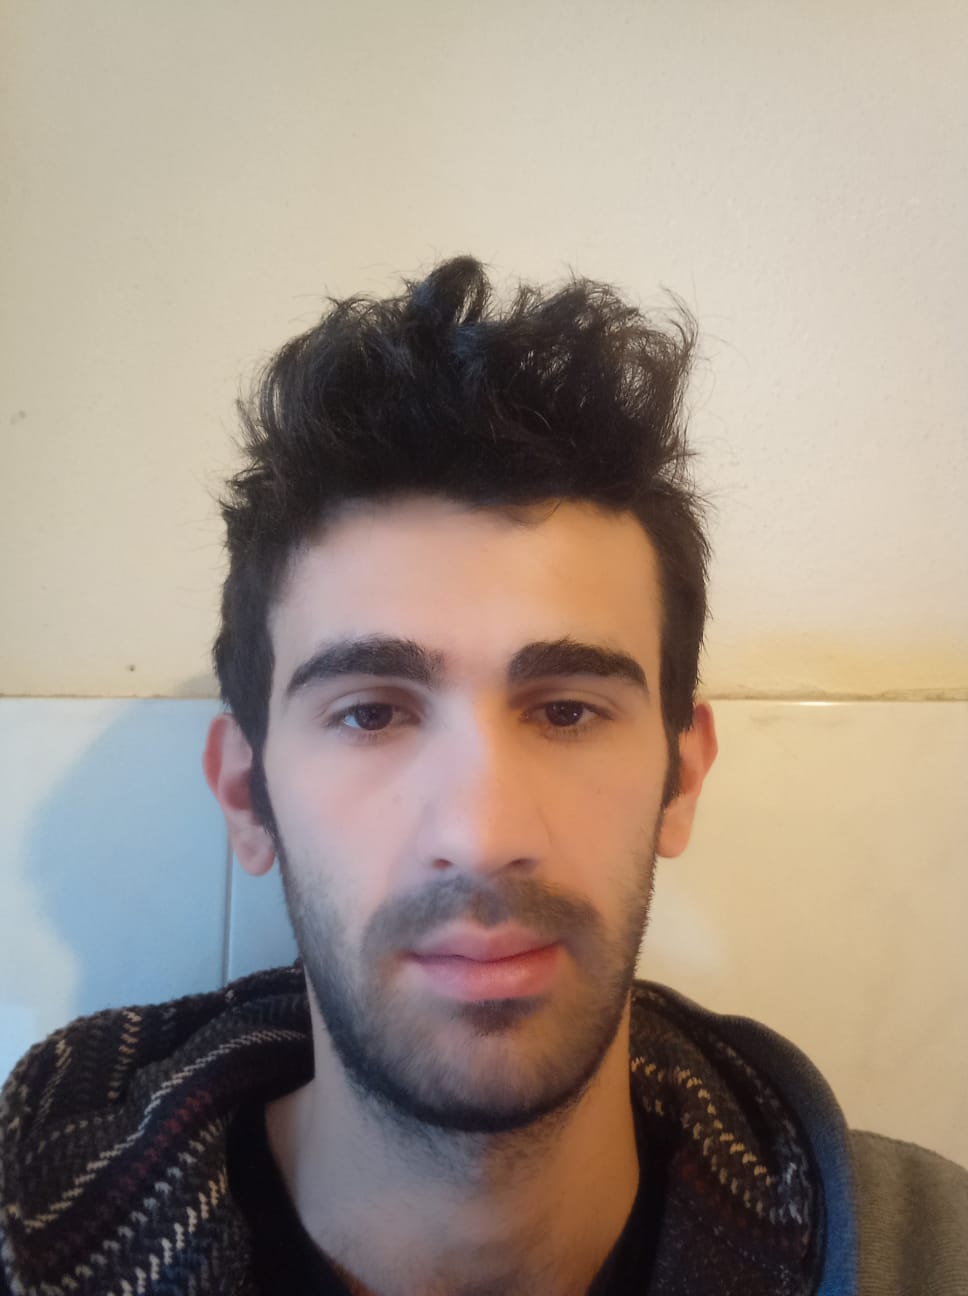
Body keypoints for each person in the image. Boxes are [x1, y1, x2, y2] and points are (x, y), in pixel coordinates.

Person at [1, 257, 964, 1296]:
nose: (482, 831)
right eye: (371, 713)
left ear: (680, 779)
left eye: (566, 711)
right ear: (247, 796)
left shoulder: (929, 1251)